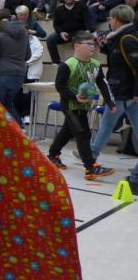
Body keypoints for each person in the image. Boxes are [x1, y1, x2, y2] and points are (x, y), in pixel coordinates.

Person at [47, 31, 115, 180]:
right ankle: (91, 167)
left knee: (68, 131)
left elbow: (103, 84)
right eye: (89, 44)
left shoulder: (95, 64)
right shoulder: (67, 65)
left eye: (93, 44)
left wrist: (110, 102)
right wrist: (75, 97)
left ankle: (52, 155)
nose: (93, 47)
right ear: (77, 46)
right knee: (83, 134)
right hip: (70, 106)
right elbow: (60, 86)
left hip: (84, 106)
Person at [89, 6, 138, 176]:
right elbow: (118, 57)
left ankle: (90, 155)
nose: (109, 21)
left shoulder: (127, 39)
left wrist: (136, 92)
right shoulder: (120, 37)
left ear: (117, 19)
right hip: (124, 91)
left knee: (107, 124)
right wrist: (104, 45)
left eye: (110, 18)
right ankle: (91, 154)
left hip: (124, 91)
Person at [0, 15, 28, 128]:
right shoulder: (24, 35)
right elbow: (28, 55)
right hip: (19, 75)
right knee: (7, 105)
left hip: (2, 74)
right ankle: (20, 130)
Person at [49, 0, 89, 64]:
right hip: (65, 34)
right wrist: (61, 32)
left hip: (79, 32)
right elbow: (56, 24)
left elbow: (87, 20)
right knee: (50, 39)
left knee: (84, 39)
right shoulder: (58, 9)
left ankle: (82, 61)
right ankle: (56, 62)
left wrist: (87, 30)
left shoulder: (82, 6)